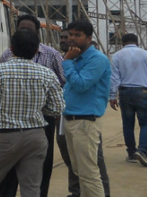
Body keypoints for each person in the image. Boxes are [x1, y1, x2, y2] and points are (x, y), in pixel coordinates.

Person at [0, 30, 65, 197]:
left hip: (4, 137)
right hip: (36, 136)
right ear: (37, 50)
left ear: (11, 49)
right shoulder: (47, 74)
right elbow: (58, 108)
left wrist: (0, 107)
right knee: (31, 189)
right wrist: (39, 108)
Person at [62, 19, 111, 197]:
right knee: (79, 171)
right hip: (71, 120)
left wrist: (67, 62)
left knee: (89, 174)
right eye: (70, 35)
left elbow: (81, 85)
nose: (72, 39)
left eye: (78, 35)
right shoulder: (76, 57)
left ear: (89, 38)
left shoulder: (97, 60)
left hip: (85, 122)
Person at [109, 33, 147, 167]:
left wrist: (112, 96)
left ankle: (132, 153)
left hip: (125, 92)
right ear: (137, 42)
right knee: (145, 124)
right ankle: (142, 151)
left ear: (122, 43)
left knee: (128, 125)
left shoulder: (117, 56)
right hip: (143, 91)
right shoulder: (146, 55)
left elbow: (114, 78)